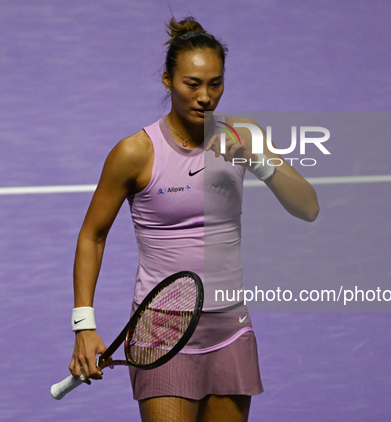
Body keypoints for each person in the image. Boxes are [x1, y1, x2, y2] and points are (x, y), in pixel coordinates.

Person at [67, 16, 319, 422]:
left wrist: (260, 162)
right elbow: (91, 237)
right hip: (161, 334)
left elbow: (308, 207)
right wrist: (84, 324)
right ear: (167, 81)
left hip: (230, 330)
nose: (205, 96)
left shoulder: (244, 135)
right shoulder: (135, 152)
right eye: (192, 84)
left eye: (215, 83)